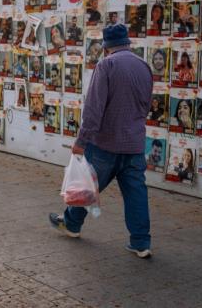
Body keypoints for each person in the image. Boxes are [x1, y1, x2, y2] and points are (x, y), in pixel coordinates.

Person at [49, 24, 153, 258]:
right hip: (135, 145)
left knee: (87, 187)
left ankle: (72, 224)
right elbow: (146, 105)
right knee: (136, 194)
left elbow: (94, 109)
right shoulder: (143, 66)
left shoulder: (107, 65)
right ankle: (141, 243)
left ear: (106, 47)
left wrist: (82, 140)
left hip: (106, 144)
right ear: (127, 43)